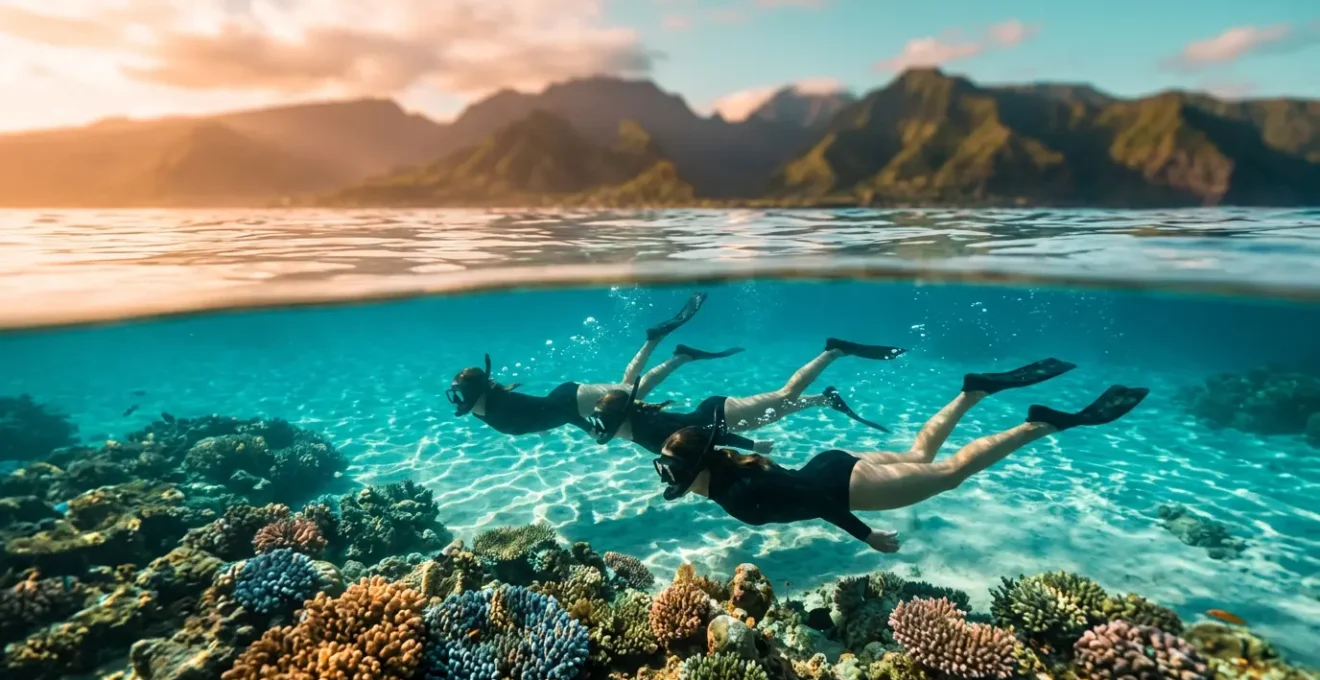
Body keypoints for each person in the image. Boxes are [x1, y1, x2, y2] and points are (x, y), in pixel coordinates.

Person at [651, 358, 1148, 552]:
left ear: (698, 466)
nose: (667, 477)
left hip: (845, 488)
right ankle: (973, 390)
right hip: (833, 462)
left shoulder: (737, 493)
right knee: (921, 451)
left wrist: (866, 535)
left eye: (672, 468)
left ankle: (1042, 423)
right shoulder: (728, 471)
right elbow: (788, 484)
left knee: (951, 472)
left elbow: (817, 502)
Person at [447, 293, 741, 436]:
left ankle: (682, 356)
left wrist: (590, 429)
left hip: (574, 401)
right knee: (626, 385)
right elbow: (539, 415)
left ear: (476, 392)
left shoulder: (499, 405)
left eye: (460, 393)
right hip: (569, 398)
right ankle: (656, 340)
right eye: (455, 394)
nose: (457, 400)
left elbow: (558, 412)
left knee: (633, 393)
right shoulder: (482, 408)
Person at [588, 338, 907, 454]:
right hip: (717, 413)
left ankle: (833, 351)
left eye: (603, 423)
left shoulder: (649, 430)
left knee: (785, 396)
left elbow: (706, 434)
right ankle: (825, 398)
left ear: (621, 419)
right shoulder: (635, 427)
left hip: (720, 418)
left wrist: (752, 446)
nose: (598, 430)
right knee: (779, 409)